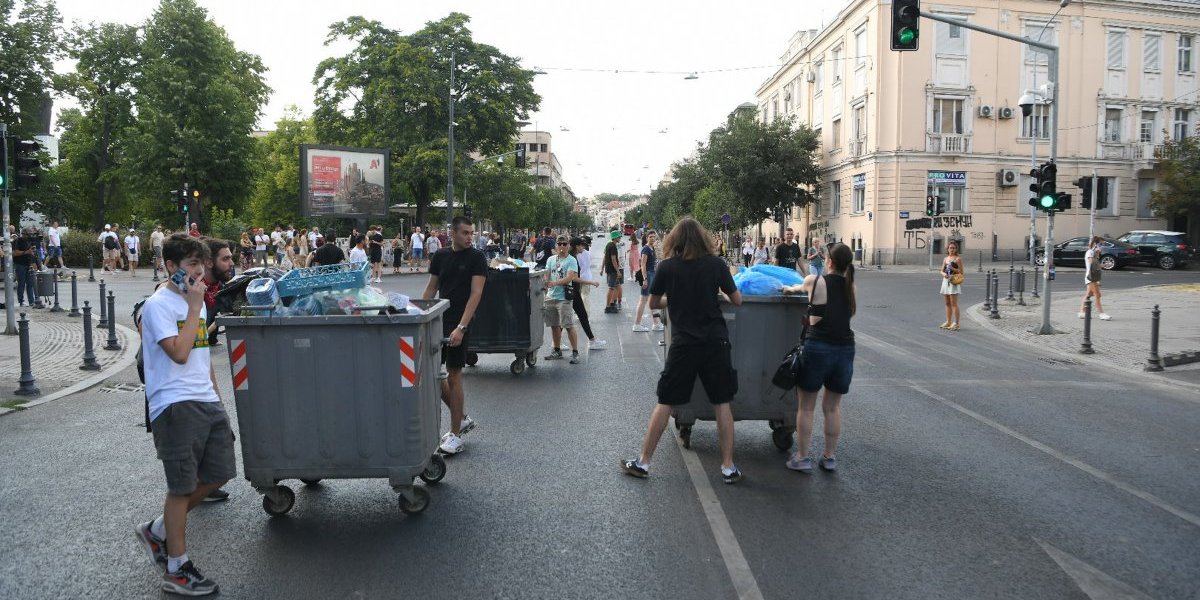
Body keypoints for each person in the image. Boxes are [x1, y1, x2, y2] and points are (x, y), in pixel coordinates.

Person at [133, 234, 231, 596]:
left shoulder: (198, 305)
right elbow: (178, 353)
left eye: (202, 264)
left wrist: (217, 401)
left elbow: (202, 358)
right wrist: (193, 308)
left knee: (221, 473)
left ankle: (157, 530)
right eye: (192, 264)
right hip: (174, 404)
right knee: (182, 487)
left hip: (204, 400)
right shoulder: (158, 306)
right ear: (171, 267)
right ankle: (177, 568)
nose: (200, 271)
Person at [622, 217, 744, 484]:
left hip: (684, 344)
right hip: (715, 342)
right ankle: (727, 467)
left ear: (674, 240)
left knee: (665, 401)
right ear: (703, 239)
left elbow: (654, 303)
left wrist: (675, 298)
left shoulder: (667, 267)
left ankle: (643, 462)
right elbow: (737, 299)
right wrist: (720, 294)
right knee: (722, 403)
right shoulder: (717, 265)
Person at [781, 243, 857, 474]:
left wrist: (786, 289)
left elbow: (793, 289)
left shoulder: (816, 281)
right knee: (832, 408)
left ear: (830, 262)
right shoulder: (850, 286)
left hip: (818, 348)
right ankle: (829, 457)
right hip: (845, 349)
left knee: (806, 407)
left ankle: (803, 457)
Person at [421, 216, 487, 455]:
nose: (470, 237)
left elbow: (476, 294)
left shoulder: (477, 257)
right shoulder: (440, 256)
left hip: (460, 323)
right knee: (432, 376)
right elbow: (431, 288)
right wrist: (418, 314)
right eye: (465, 233)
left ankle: (455, 435)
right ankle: (463, 418)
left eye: (472, 233)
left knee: (454, 375)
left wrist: (461, 327)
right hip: (439, 320)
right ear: (453, 234)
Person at [543, 235, 582, 364]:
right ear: (556, 246)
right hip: (551, 297)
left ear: (569, 246)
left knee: (568, 325)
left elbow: (570, 278)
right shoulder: (550, 259)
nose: (562, 246)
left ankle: (575, 352)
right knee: (554, 325)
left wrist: (554, 283)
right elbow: (546, 274)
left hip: (564, 298)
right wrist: (545, 284)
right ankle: (557, 350)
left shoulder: (571, 260)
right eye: (559, 244)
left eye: (565, 244)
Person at [570, 237, 606, 350]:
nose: (583, 247)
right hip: (571, 291)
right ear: (577, 246)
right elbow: (574, 278)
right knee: (568, 320)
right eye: (581, 245)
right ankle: (556, 346)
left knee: (581, 316)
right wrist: (591, 282)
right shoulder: (573, 259)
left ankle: (592, 340)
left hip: (572, 291)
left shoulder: (574, 257)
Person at [632, 230, 663, 332]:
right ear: (646, 237)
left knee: (651, 300)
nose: (653, 238)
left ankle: (656, 323)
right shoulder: (646, 249)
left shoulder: (651, 248)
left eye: (654, 237)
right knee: (643, 300)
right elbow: (643, 265)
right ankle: (637, 324)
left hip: (652, 275)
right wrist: (645, 279)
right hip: (648, 275)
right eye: (650, 237)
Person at [1080, 236, 1112, 321]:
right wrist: (1096, 255)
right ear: (1095, 244)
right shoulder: (1090, 252)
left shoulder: (1094, 253)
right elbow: (1092, 264)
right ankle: (1101, 314)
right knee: (1098, 294)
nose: (1101, 247)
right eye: (1100, 244)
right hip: (1091, 277)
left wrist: (1104, 265)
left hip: (1093, 277)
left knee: (1089, 295)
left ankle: (1082, 312)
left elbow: (1096, 266)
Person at [939, 241, 963, 330]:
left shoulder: (958, 259)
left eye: (953, 248)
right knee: (947, 303)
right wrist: (943, 274)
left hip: (953, 281)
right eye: (950, 248)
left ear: (956, 249)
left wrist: (953, 268)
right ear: (947, 249)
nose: (951, 249)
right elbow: (941, 270)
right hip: (946, 281)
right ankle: (948, 321)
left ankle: (956, 323)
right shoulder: (945, 259)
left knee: (954, 303)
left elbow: (961, 272)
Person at [11, 228, 37, 307]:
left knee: (30, 284)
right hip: (20, 264)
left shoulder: (29, 241)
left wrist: (34, 262)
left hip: (28, 264)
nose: (29, 236)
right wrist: (26, 252)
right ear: (23, 234)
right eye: (28, 235)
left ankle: (31, 301)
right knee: (21, 284)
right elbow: (14, 253)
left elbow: (31, 252)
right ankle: (21, 301)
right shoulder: (17, 241)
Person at [602, 230, 623, 314]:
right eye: (619, 236)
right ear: (615, 237)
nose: (620, 238)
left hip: (609, 269)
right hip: (612, 270)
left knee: (617, 286)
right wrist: (618, 271)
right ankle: (607, 307)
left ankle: (612, 304)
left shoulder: (608, 244)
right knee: (611, 288)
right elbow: (613, 259)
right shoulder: (613, 246)